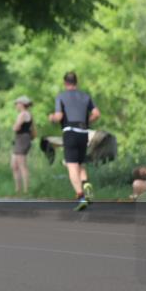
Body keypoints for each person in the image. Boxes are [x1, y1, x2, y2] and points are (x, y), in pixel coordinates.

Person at [48, 71, 100, 211]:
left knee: (72, 166)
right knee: (81, 164)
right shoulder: (85, 96)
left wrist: (51, 117)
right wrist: (86, 121)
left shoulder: (61, 96)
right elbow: (96, 113)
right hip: (84, 133)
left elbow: (59, 116)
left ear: (65, 83)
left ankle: (81, 197)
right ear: (76, 82)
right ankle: (87, 185)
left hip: (70, 132)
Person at [10, 96, 35, 194]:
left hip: (22, 140)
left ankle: (26, 190)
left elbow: (16, 127)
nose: (16, 105)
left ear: (21, 104)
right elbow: (33, 130)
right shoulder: (28, 114)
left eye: (17, 103)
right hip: (20, 139)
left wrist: (14, 125)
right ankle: (18, 189)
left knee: (21, 165)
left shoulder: (23, 114)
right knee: (14, 165)